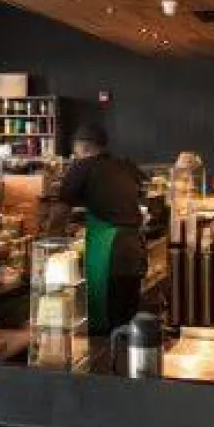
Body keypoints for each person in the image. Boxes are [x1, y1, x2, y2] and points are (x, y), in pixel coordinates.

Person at [46, 123, 146, 335]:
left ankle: (107, 365)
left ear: (84, 148)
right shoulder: (124, 165)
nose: (75, 156)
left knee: (107, 320)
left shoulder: (82, 166)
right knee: (127, 316)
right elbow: (121, 198)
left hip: (110, 249)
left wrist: (50, 243)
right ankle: (131, 362)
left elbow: (61, 211)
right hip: (135, 245)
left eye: (76, 152)